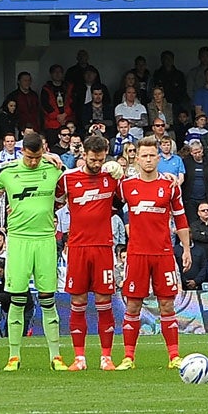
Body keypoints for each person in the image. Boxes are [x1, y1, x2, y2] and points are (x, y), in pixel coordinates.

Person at [0, 131, 67, 370]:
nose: (33, 162)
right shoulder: (7, 172)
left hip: (45, 240)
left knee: (48, 299)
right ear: (21, 151)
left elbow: (79, 178)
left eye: (37, 157)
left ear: (42, 152)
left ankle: (55, 356)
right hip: (18, 241)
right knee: (17, 299)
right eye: (29, 157)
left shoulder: (55, 169)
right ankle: (14, 356)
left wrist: (55, 158)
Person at [118, 135, 191, 370]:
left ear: (158, 158)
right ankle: (128, 357)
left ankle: (174, 356)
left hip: (163, 254)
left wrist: (187, 248)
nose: (148, 160)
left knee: (167, 306)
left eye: (152, 155)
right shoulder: (125, 186)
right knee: (133, 306)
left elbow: (180, 219)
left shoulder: (169, 186)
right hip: (137, 255)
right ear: (136, 159)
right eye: (144, 156)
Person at [61, 132, 122, 370]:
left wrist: (122, 170)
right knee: (77, 301)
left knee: (104, 301)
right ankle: (79, 358)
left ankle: (106, 357)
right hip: (77, 247)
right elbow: (52, 199)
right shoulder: (68, 179)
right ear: (83, 155)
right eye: (92, 159)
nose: (97, 164)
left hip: (103, 247)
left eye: (101, 159)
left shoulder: (111, 178)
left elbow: (131, 191)